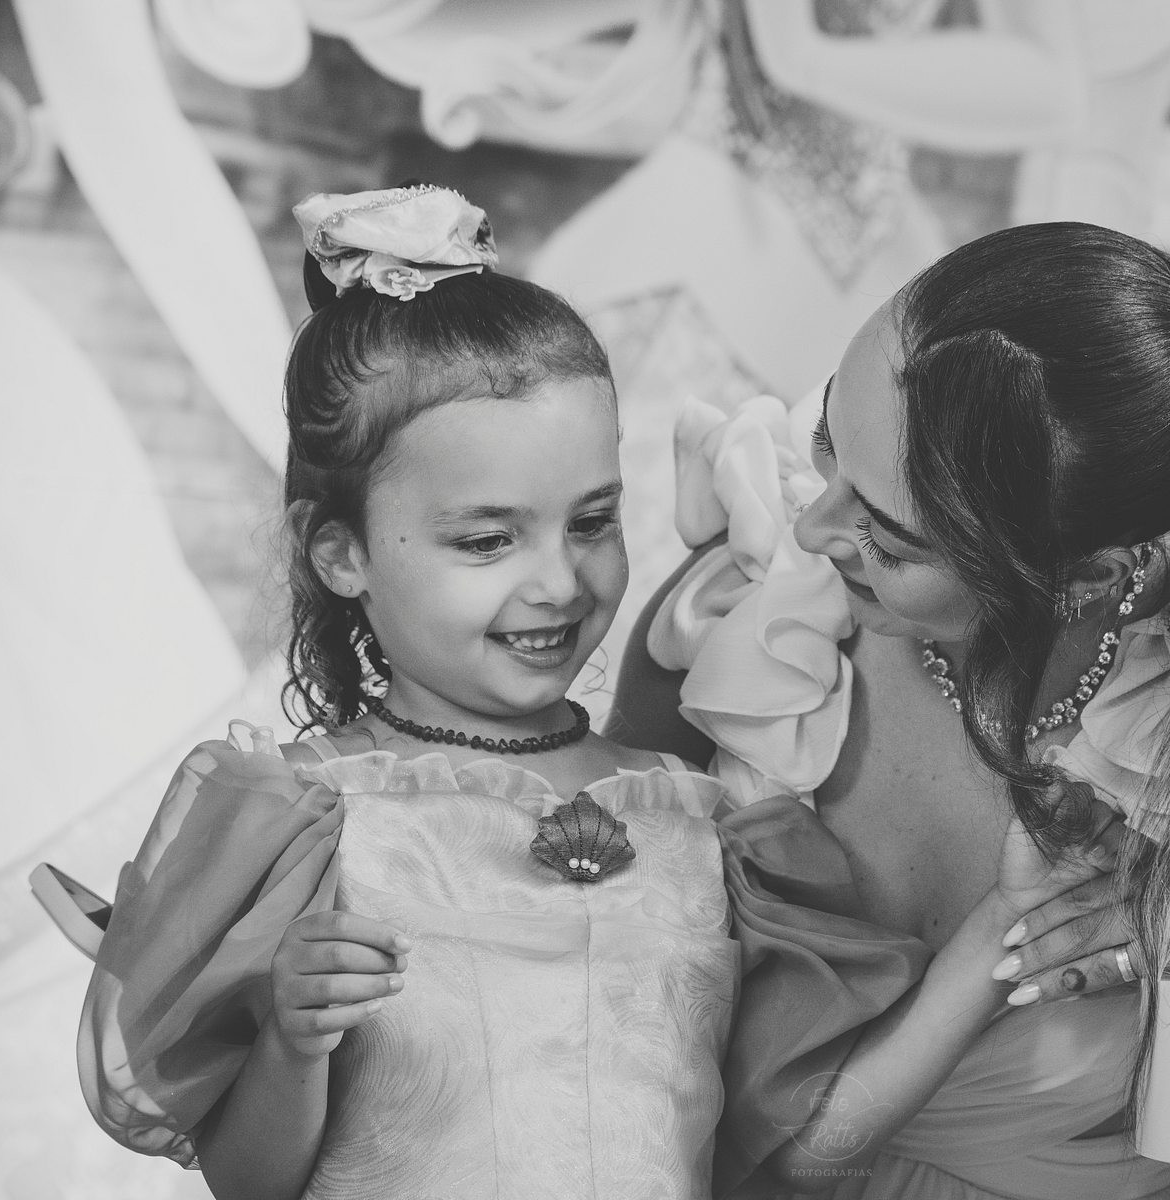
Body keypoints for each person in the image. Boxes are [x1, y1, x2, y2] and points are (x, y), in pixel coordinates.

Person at [75, 184, 963, 1200]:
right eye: (488, 540)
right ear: (341, 552)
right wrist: (290, 1038)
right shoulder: (300, 825)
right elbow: (249, 1184)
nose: (558, 582)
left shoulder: (708, 819)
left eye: (591, 522)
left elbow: (780, 1144)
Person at [615, 222, 1170, 1198]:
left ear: (1085, 578)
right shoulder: (744, 619)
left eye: (890, 539)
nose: (812, 528)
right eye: (827, 441)